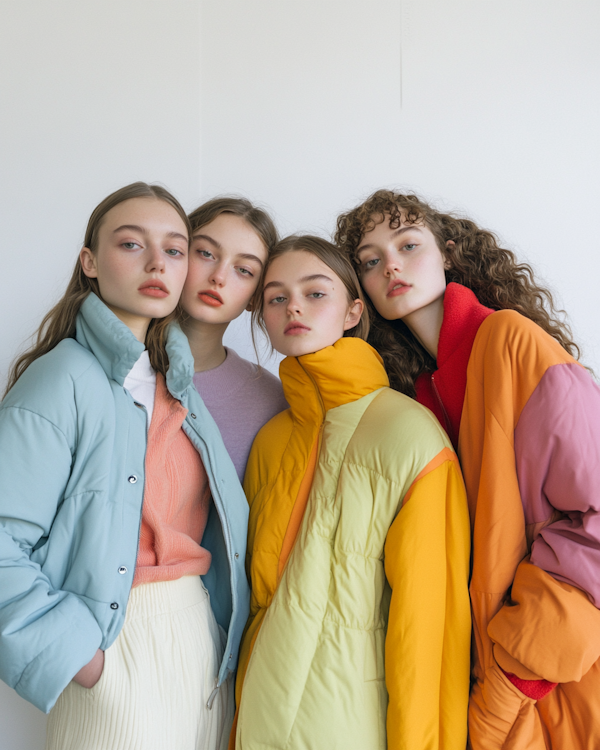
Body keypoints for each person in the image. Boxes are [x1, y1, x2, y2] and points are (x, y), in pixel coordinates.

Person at [335, 189, 600, 749]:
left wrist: (512, 683)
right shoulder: (409, 397)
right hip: (473, 679)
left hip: (553, 679)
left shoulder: (512, 342)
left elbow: (594, 524)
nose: (392, 266)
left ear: (450, 254)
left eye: (408, 245)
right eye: (371, 260)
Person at [0, 182, 250, 750]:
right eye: (132, 244)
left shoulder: (176, 384)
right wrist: (80, 659)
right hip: (116, 644)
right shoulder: (60, 379)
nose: (158, 263)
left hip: (197, 645)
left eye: (176, 249)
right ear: (90, 262)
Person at [232, 235, 471, 750]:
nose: (293, 305)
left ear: (352, 311)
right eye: (276, 298)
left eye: (315, 293)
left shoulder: (408, 433)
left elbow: (431, 629)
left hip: (351, 726)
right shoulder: (271, 441)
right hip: (256, 716)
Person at [180, 198, 288, 482]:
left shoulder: (272, 401)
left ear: (256, 297)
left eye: (244, 270)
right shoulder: (110, 368)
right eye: (205, 253)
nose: (218, 277)